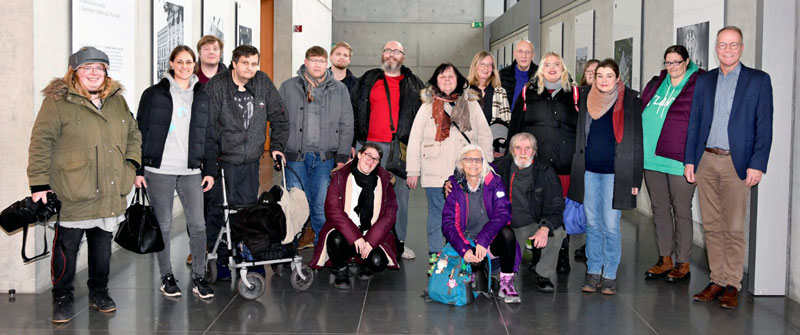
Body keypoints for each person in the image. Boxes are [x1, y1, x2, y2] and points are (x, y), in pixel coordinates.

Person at [28, 47, 142, 323]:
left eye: (99, 68)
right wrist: (39, 184)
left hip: (110, 187)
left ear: (106, 72)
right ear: (74, 72)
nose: (94, 73)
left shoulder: (117, 101)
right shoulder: (57, 102)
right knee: (67, 248)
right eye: (87, 68)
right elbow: (41, 143)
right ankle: (63, 296)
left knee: (102, 247)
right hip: (72, 188)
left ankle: (99, 291)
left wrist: (131, 166)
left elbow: (133, 134)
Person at [685, 26, 773, 309]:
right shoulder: (704, 80)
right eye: (723, 45)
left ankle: (732, 283)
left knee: (733, 227)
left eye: (733, 45)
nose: (728, 50)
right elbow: (695, 122)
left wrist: (757, 164)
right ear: (716, 48)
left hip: (738, 162)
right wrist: (690, 160)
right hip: (706, 160)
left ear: (742, 48)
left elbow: (765, 126)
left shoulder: (758, 80)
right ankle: (717, 280)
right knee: (711, 225)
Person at [135, 45, 216, 299]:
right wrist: (138, 168)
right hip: (159, 169)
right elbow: (139, 131)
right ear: (171, 64)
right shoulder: (154, 94)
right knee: (165, 226)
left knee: (198, 225)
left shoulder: (202, 95)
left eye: (189, 62)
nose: (184, 66)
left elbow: (210, 135)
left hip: (191, 169)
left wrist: (210, 170)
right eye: (179, 61)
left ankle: (200, 277)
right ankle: (167, 276)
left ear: (195, 64)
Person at [204, 45, 289, 278]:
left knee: (248, 211)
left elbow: (279, 117)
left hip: (251, 161)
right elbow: (207, 128)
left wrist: (277, 147)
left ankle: (249, 254)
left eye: (254, 63)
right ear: (234, 63)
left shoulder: (262, 82)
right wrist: (212, 161)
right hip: (224, 162)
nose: (250, 68)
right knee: (219, 211)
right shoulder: (217, 87)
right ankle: (219, 259)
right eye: (245, 63)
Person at [569, 58, 643, 295]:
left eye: (609, 76)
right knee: (592, 224)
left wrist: (635, 179)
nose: (603, 80)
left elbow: (637, 142)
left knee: (610, 225)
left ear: (618, 78)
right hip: (589, 172)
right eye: (599, 76)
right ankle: (593, 271)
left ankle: (609, 274)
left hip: (615, 174)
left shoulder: (630, 101)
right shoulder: (584, 98)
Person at [406, 63, 493, 254]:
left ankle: (459, 253)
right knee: (437, 213)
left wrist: (486, 165)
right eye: (442, 77)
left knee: (464, 214)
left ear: (459, 79)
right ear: (436, 81)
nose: (447, 80)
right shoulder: (427, 107)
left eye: (451, 76)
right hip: (434, 170)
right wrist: (413, 171)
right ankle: (436, 256)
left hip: (466, 171)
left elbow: (485, 135)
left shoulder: (471, 104)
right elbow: (415, 139)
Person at [350, 40, 425, 259]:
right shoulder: (368, 79)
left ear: (404, 55)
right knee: (364, 196)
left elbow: (423, 121)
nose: (391, 54)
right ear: (382, 54)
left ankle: (399, 243)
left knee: (399, 198)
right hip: (367, 148)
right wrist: (354, 145)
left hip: (399, 148)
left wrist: (416, 160)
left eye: (396, 51)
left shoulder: (414, 83)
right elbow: (354, 111)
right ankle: (362, 242)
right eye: (387, 50)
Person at [508, 52, 577, 275]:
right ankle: (536, 252)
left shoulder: (574, 93)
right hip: (535, 165)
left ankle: (562, 253)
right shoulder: (529, 92)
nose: (552, 68)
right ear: (541, 69)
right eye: (548, 64)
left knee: (562, 211)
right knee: (534, 206)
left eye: (557, 64)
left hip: (564, 165)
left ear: (563, 67)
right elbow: (516, 126)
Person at [640, 45, 704, 283]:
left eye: (676, 62)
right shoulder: (658, 82)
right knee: (659, 210)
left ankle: (683, 262)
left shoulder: (699, 83)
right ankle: (664, 258)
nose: (672, 67)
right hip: (651, 159)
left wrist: (694, 159)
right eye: (668, 62)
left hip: (679, 160)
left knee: (681, 211)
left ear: (687, 61)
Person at [279, 46, 354, 245]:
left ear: (326, 63)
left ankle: (323, 249)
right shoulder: (288, 87)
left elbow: (347, 124)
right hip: (295, 158)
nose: (318, 64)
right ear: (306, 62)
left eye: (321, 61)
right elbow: (278, 121)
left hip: (325, 159)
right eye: (313, 60)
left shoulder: (339, 89)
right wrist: (278, 148)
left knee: (320, 207)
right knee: (295, 205)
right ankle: (290, 250)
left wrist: (342, 156)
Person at [310, 143, 399, 289]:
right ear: (359, 154)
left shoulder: (383, 181)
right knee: (335, 239)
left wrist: (370, 241)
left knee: (377, 261)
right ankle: (341, 270)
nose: (370, 161)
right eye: (368, 156)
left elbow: (390, 215)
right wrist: (355, 237)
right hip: (347, 235)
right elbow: (333, 210)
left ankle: (366, 264)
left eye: (375, 159)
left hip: (370, 235)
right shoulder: (341, 176)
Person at [441, 145, 520, 303]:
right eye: (469, 159)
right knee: (474, 269)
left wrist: (483, 241)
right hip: (467, 241)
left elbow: (503, 214)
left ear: (484, 163)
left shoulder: (494, 183)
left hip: (489, 242)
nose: (474, 163)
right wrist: (464, 249)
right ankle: (478, 274)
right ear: (461, 164)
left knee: (508, 234)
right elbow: (449, 224)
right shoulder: (454, 187)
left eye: (478, 159)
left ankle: (507, 283)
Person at [193, 34, 226, 266]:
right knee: (196, 205)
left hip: (224, 150)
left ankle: (219, 246)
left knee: (218, 203)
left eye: (215, 48)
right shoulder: (190, 79)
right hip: (195, 150)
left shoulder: (230, 78)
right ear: (200, 53)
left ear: (220, 53)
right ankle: (198, 247)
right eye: (206, 49)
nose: (211, 52)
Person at [573, 58, 601, 263]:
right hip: (582, 158)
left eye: (596, 71)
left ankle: (595, 246)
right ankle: (589, 244)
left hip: (602, 160)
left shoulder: (611, 97)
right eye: (589, 71)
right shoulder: (578, 96)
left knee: (600, 207)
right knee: (586, 206)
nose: (592, 74)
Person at [466, 51, 511, 126]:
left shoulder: (500, 92)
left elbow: (506, 121)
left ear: (493, 69)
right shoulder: (464, 91)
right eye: (482, 64)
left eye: (489, 65)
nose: (486, 68)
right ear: (475, 66)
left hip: (493, 136)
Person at [498, 39, 538, 111]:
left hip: (531, 121)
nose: (524, 56)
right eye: (520, 51)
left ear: (533, 55)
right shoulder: (502, 75)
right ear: (515, 54)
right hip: (508, 120)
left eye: (527, 52)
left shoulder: (540, 75)